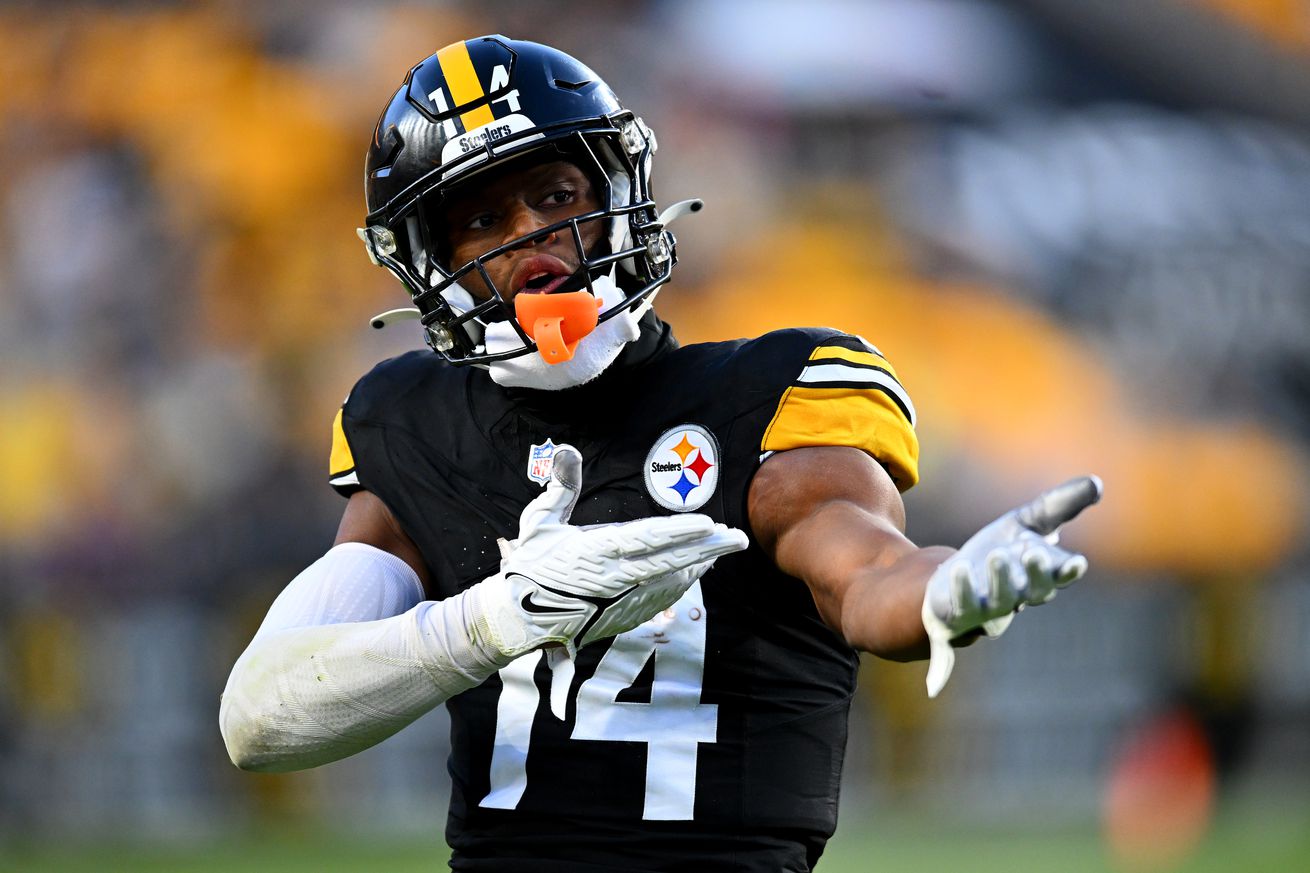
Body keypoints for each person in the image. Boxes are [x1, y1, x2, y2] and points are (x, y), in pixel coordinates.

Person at [220, 35, 1101, 872]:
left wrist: (945, 592)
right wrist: (495, 620)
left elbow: (868, 575)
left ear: (616, 198)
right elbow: (261, 719)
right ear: (429, 262)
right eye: (485, 219)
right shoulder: (414, 427)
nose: (535, 241)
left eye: (558, 197)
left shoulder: (764, 397)